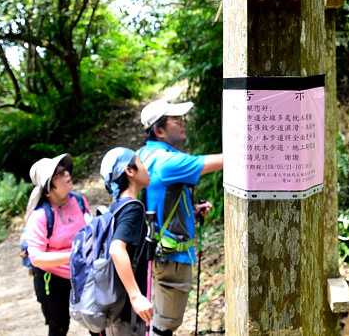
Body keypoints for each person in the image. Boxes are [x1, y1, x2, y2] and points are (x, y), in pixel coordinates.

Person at [137, 98, 224, 336]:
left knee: (156, 321)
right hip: (172, 258)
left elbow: (157, 198)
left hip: (154, 251)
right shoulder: (168, 162)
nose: (183, 123)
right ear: (160, 130)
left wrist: (191, 212)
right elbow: (226, 160)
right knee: (164, 327)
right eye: (177, 120)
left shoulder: (144, 155)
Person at [24, 153, 92, 336]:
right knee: (59, 327)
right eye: (59, 174)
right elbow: (36, 257)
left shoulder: (79, 200)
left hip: (82, 274)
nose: (67, 175)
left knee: (97, 322)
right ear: (48, 185)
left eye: (66, 171)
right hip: (52, 280)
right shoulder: (40, 216)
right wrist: (73, 255)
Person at [99, 147, 154, 336]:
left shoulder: (118, 207)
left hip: (117, 307)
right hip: (126, 314)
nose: (146, 168)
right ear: (129, 171)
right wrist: (136, 296)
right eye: (140, 162)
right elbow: (116, 249)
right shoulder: (132, 209)